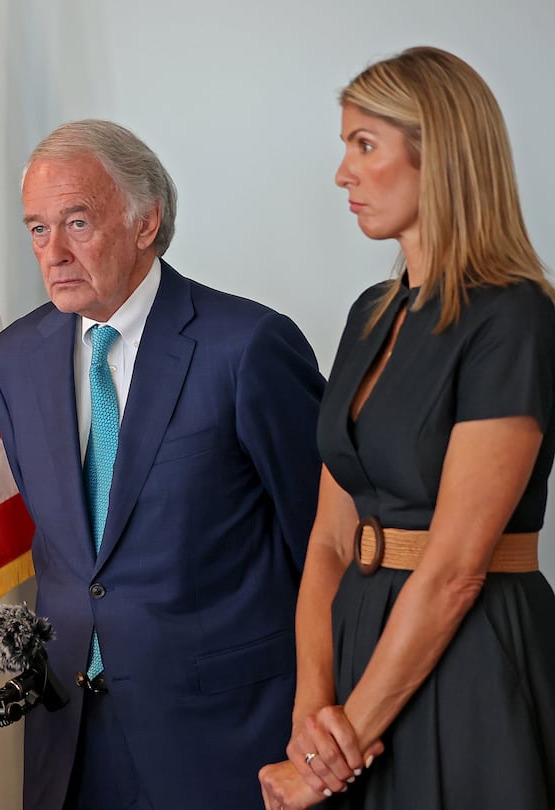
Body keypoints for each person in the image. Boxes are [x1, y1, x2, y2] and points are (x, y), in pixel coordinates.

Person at [0, 120, 325, 809]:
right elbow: (70, 551)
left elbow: (324, 543)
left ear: (146, 223)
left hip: (226, 738)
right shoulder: (11, 359)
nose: (54, 252)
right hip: (71, 737)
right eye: (38, 229)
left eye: (77, 222)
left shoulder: (248, 347)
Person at [258, 46, 555, 810]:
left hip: (470, 658)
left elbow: (456, 569)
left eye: (365, 145)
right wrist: (311, 712)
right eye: (344, 146)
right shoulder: (370, 313)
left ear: (442, 158)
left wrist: (337, 747)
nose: (342, 174)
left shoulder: (514, 317)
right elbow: (329, 539)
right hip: (358, 655)